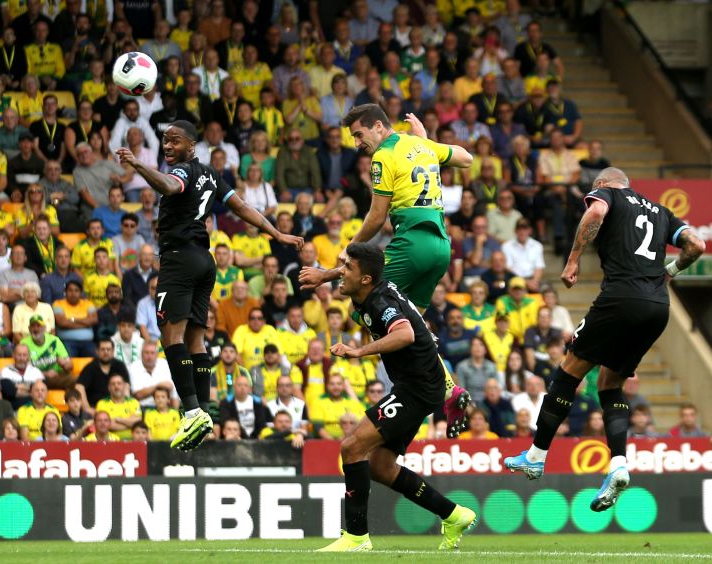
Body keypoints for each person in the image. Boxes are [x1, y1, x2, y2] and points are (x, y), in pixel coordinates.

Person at [505, 167, 705, 512]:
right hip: (658, 307)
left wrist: (572, 259)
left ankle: (536, 455)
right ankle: (618, 465)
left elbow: (595, 212)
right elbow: (696, 245)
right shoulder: (662, 211)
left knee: (569, 370)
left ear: (601, 185)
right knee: (610, 383)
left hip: (620, 298)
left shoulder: (607, 196)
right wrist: (668, 273)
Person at [116, 120, 303, 451]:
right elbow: (243, 207)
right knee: (196, 340)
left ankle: (190, 411)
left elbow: (170, 187)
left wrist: (136, 164)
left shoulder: (185, 172)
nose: (168, 146)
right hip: (204, 261)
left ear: (191, 146)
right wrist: (276, 233)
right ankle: (202, 411)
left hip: (179, 259)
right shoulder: (212, 175)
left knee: (170, 336)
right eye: (164, 141)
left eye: (174, 141)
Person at [301, 105, 474, 426]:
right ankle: (447, 390)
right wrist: (427, 142)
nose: (356, 143)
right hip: (441, 247)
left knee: (364, 304)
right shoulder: (420, 145)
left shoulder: (383, 156)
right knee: (413, 325)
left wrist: (341, 258)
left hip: (412, 242)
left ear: (378, 126)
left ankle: (441, 387)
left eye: (358, 134)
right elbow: (467, 159)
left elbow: (377, 217)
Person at [316, 243, 477, 551]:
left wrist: (358, 351)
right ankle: (454, 514)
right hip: (418, 386)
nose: (342, 271)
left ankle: (356, 537)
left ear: (366, 279)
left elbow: (405, 334)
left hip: (416, 390)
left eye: (347, 268)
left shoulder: (379, 303)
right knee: (380, 466)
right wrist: (326, 275)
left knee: (351, 447)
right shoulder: (371, 293)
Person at [75, 339, 129, 413]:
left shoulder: (120, 366)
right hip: (95, 409)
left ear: (113, 352)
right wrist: (87, 409)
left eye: (108, 349)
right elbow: (79, 387)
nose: (106, 352)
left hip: (119, 408)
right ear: (97, 351)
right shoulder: (90, 367)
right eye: (103, 349)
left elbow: (126, 386)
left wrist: (127, 407)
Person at [218, 373, 271, 439]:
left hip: (256, 439)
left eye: (245, 385)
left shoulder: (258, 403)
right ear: (234, 387)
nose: (242, 388)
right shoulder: (226, 403)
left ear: (250, 389)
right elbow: (225, 422)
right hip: (235, 438)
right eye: (239, 385)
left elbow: (262, 424)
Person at [53, 279, 97, 357]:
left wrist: (73, 319)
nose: (73, 293)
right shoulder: (58, 304)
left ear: (81, 293)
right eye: (70, 290)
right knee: (68, 364)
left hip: (87, 342)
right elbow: (62, 323)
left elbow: (93, 320)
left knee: (96, 363)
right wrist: (86, 323)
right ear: (65, 292)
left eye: (76, 291)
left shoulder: (88, 303)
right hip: (67, 341)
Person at [95, 373, 142, 440]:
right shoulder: (102, 403)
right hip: (110, 441)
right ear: (109, 387)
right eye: (113, 384)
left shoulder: (134, 402)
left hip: (131, 440)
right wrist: (130, 424)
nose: (116, 386)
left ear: (124, 386)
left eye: (119, 383)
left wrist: (118, 419)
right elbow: (105, 425)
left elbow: (138, 422)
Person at [0, 343, 44, 409]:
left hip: (34, 410)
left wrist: (16, 388)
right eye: (19, 355)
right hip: (12, 410)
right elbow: (9, 392)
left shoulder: (36, 372)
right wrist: (30, 389)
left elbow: (40, 392)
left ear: (29, 356)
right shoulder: (5, 371)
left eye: (24, 355)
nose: (21, 358)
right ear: (13, 355)